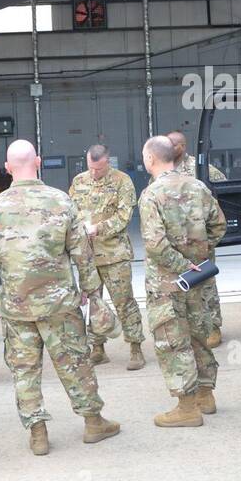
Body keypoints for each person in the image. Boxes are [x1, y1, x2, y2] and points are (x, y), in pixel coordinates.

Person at [0, 139, 119, 456]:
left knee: (24, 370)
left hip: (15, 304)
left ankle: (37, 432)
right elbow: (82, 253)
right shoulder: (61, 201)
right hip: (60, 303)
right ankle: (93, 422)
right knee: (75, 363)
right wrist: (91, 292)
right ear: (37, 161)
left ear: (8, 168)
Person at [138, 135, 226, 427]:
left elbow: (154, 243)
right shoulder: (197, 186)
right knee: (199, 334)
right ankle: (206, 395)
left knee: (173, 341)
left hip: (168, 283)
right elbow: (219, 225)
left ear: (151, 159)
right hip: (198, 279)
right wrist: (198, 259)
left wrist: (181, 265)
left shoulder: (151, 194)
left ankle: (187, 407)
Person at [69, 145, 145, 370]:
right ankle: (98, 349)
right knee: (94, 304)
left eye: (99, 169)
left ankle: (135, 347)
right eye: (91, 168)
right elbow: (72, 213)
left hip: (114, 255)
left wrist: (99, 228)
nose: (94, 173)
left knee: (124, 302)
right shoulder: (79, 182)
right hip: (89, 256)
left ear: (107, 163)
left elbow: (124, 216)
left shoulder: (122, 181)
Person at [167, 129, 226, 349]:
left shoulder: (200, 169)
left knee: (206, 287)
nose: (168, 149)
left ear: (181, 147)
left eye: (172, 145)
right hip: (175, 245)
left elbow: (222, 192)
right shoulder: (164, 171)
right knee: (180, 288)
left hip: (199, 243)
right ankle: (189, 328)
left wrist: (207, 242)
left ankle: (214, 327)